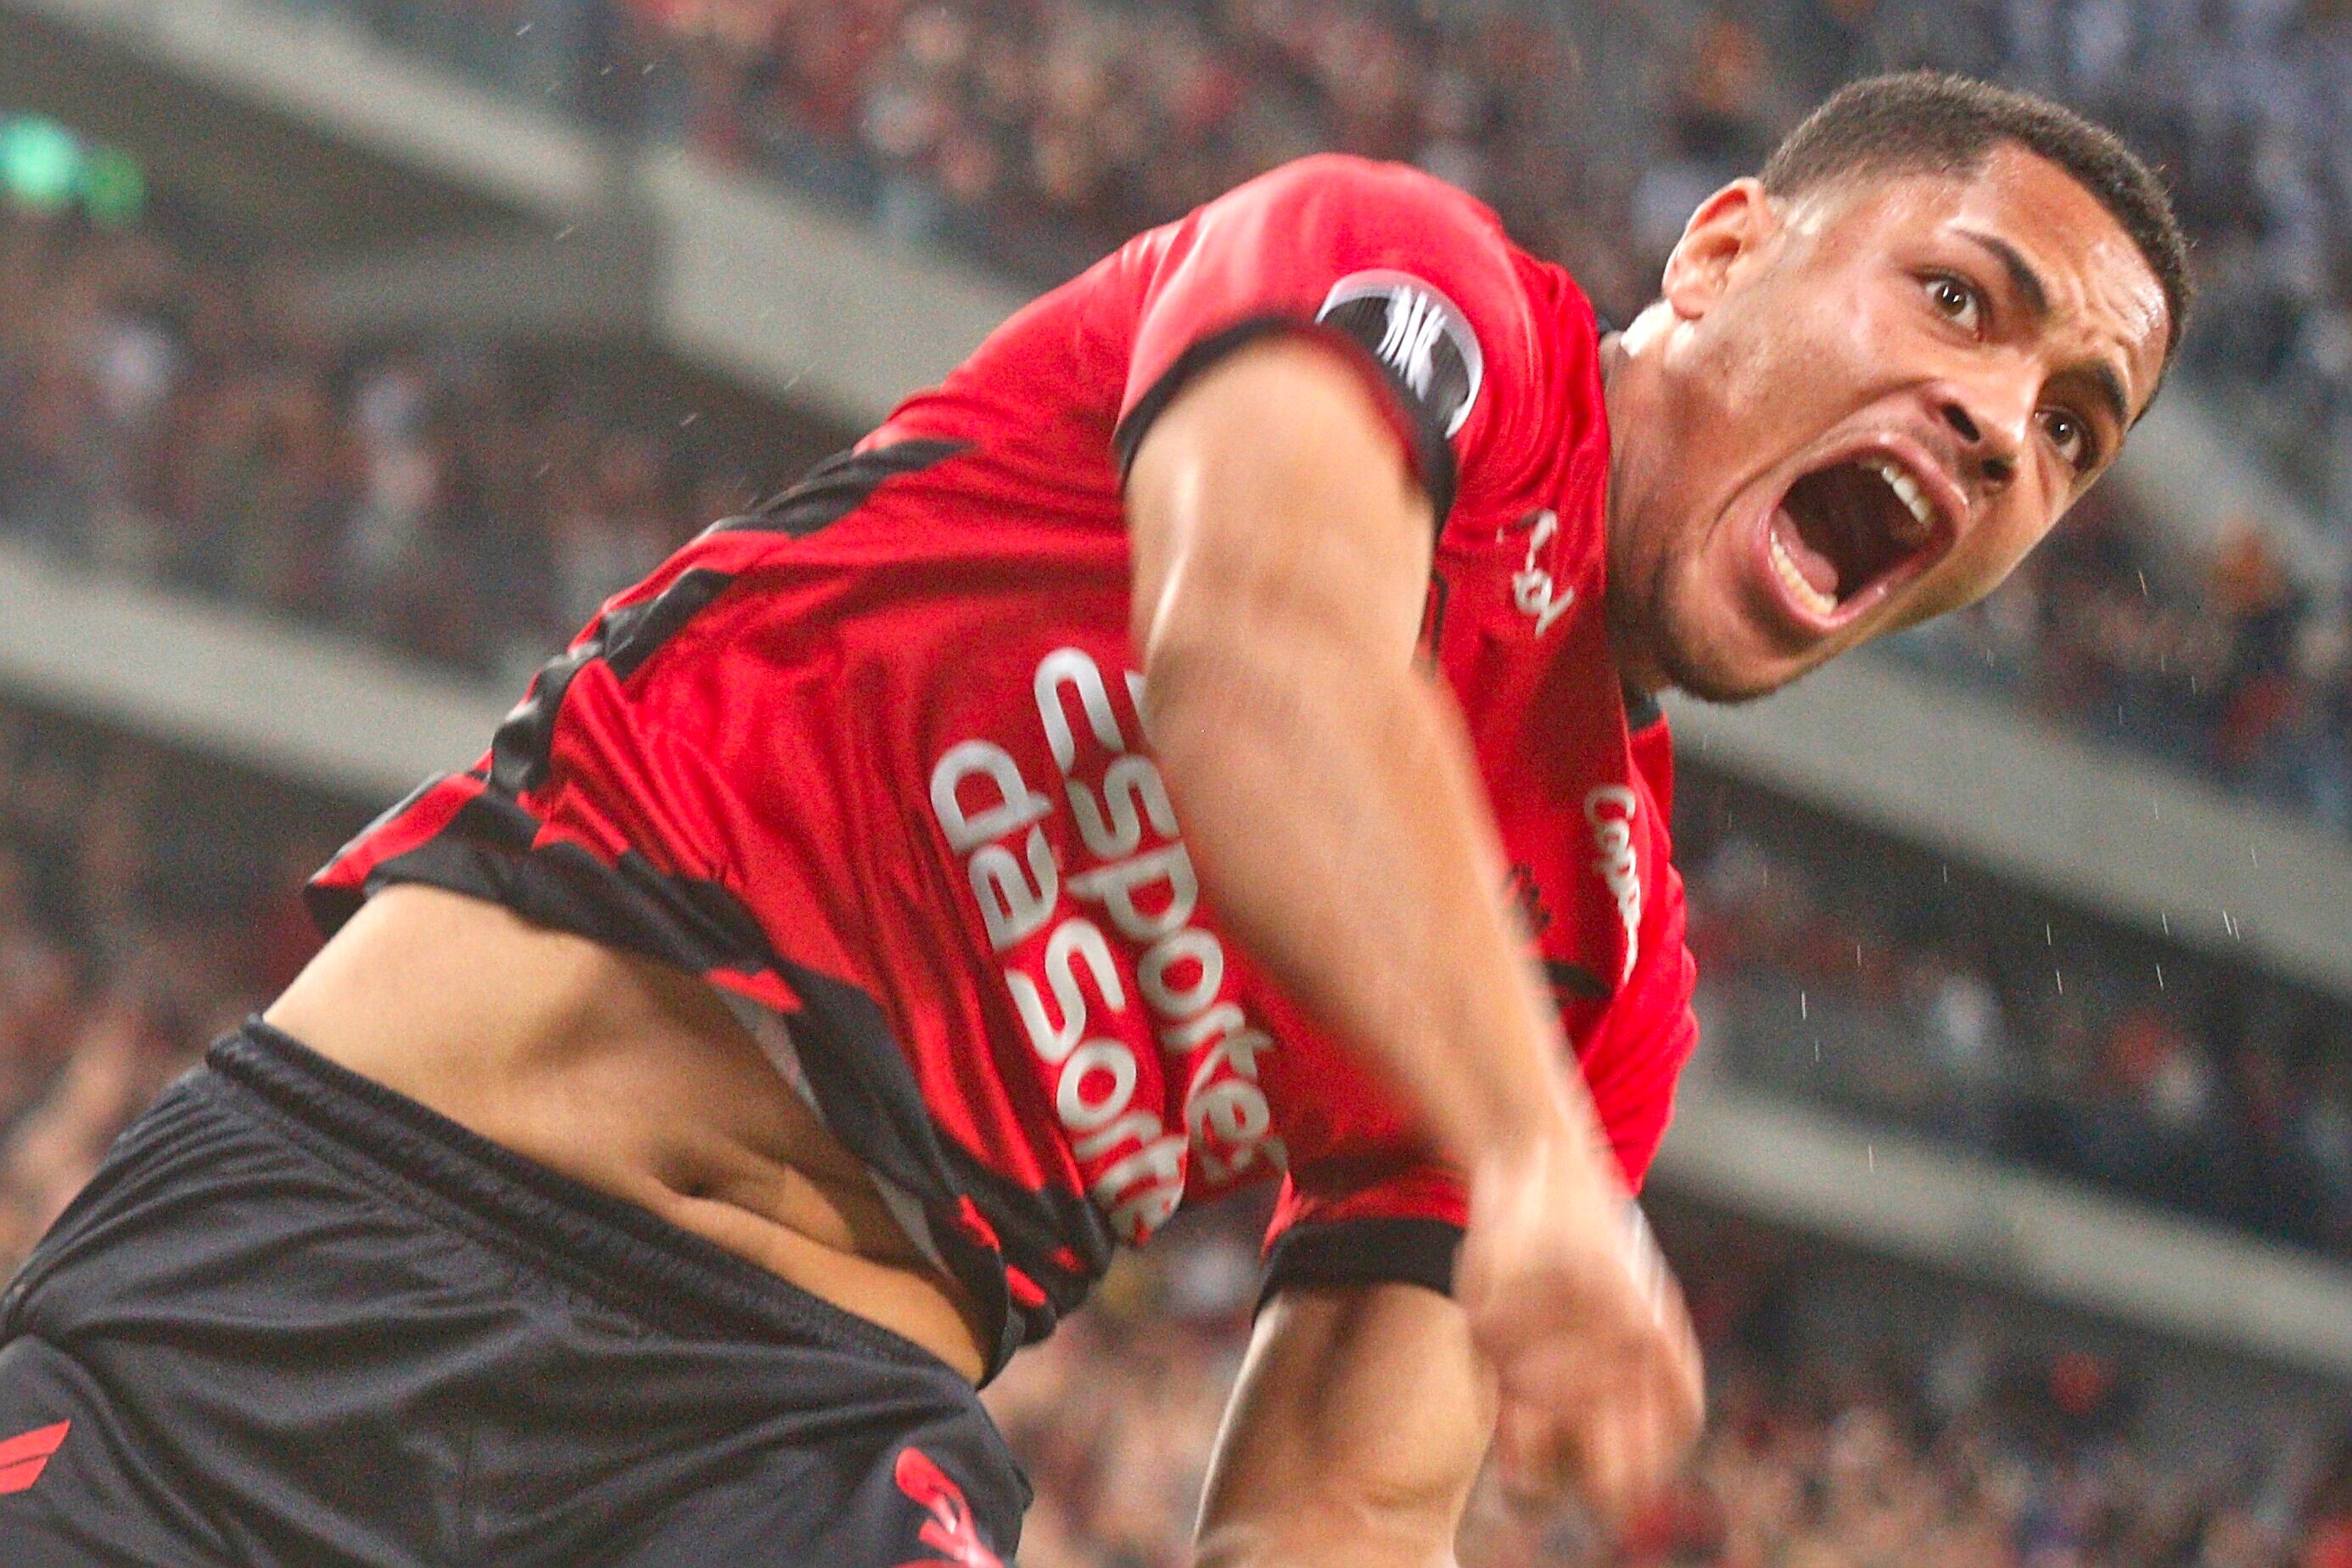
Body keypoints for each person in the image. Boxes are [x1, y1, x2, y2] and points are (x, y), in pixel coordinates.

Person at [0, 70, 2186, 1565]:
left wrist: (1531, 1143)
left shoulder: (1602, 967)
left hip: (792, 1453)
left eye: (2073, 431)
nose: (2001, 424)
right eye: (1960, 297)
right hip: (345, 1242)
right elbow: (1257, 659)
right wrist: (1525, 1153)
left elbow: (1337, 1503)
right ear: (1719, 253)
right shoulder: (1402, 282)